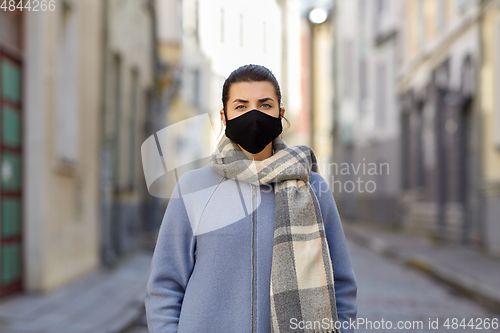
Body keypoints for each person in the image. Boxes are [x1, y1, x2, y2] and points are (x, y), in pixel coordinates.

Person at [145, 64, 357, 333]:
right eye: (241, 106)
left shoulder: (313, 188)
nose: (254, 115)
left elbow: (342, 286)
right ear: (224, 117)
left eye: (265, 105)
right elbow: (165, 285)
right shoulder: (192, 188)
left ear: (280, 115)